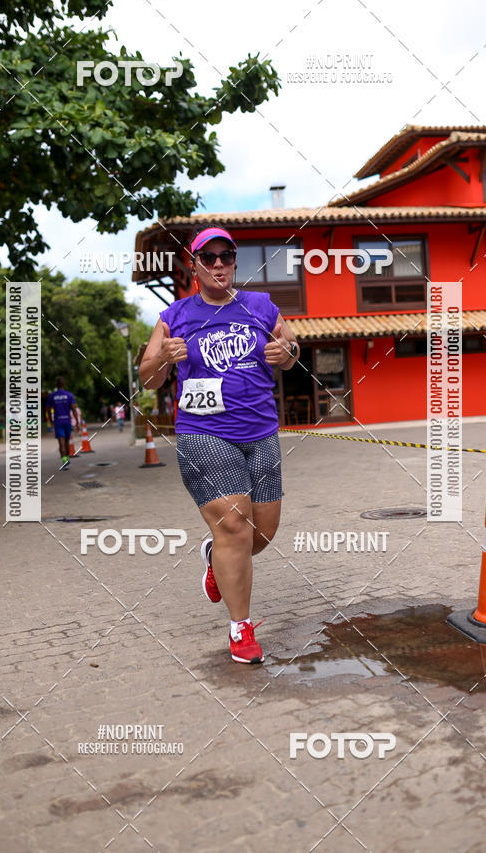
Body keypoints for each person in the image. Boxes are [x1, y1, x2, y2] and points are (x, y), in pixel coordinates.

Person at [140, 224, 300, 664]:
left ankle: (213, 557)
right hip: (203, 434)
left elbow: (290, 347)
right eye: (207, 258)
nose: (217, 265)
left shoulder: (261, 306)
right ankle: (240, 628)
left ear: (233, 262)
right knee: (234, 527)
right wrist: (162, 360)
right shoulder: (175, 315)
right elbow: (148, 376)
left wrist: (288, 352)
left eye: (225, 257)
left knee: (260, 535)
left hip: (261, 432)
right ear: (194, 265)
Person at [45, 377, 81, 470]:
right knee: (67, 442)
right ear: (64, 385)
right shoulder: (69, 395)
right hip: (67, 422)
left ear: (56, 385)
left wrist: (51, 422)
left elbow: (48, 410)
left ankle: (65, 462)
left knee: (61, 443)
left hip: (58, 422)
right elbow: (74, 410)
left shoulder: (52, 396)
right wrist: (77, 423)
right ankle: (67, 460)